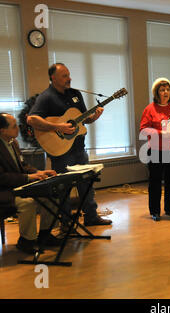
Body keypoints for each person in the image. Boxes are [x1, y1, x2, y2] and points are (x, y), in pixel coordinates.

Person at [27, 63, 112, 226]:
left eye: (69, 75)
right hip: (60, 151)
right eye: (64, 76)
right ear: (53, 78)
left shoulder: (75, 94)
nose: (69, 78)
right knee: (63, 187)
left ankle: (91, 216)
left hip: (79, 147)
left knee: (86, 183)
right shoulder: (46, 97)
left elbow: (82, 119)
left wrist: (94, 117)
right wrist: (58, 127)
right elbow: (31, 119)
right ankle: (66, 222)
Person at [0, 113, 61, 254]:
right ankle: (26, 241)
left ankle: (45, 235)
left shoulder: (13, 142)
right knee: (27, 203)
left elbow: (23, 165)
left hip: (15, 187)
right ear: (2, 130)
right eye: (14, 126)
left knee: (50, 196)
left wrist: (41, 172)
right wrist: (29, 177)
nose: (18, 128)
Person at [140, 78, 170, 221]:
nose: (165, 92)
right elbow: (144, 129)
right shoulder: (150, 108)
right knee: (155, 182)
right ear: (156, 92)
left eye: (167, 89)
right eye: (162, 89)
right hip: (156, 150)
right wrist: (160, 133)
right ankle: (155, 211)